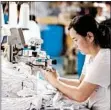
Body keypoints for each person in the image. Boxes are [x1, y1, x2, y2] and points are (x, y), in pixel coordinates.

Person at [39, 15, 110, 110]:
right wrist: (56, 78)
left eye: (76, 40)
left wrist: (55, 82)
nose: (75, 45)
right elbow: (81, 83)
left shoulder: (104, 57)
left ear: (89, 36)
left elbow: (80, 95)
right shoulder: (90, 55)